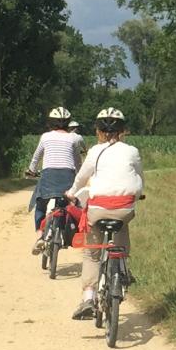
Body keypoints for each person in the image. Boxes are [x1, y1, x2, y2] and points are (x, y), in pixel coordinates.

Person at [69, 106, 144, 321]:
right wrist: (139, 194)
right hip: (125, 208)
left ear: (98, 130)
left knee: (92, 253)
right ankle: (122, 269)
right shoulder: (132, 151)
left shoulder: (94, 151)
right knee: (122, 225)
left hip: (98, 209)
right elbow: (138, 177)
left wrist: (72, 192)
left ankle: (89, 297)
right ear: (123, 130)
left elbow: (81, 178)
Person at [25, 106, 84, 241]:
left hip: (48, 175)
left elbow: (36, 157)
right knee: (67, 204)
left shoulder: (45, 137)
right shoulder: (73, 139)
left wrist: (31, 170)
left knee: (40, 204)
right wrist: (80, 176)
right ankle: (66, 231)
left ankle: (40, 235)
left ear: (51, 122)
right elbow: (77, 162)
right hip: (68, 176)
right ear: (68, 122)